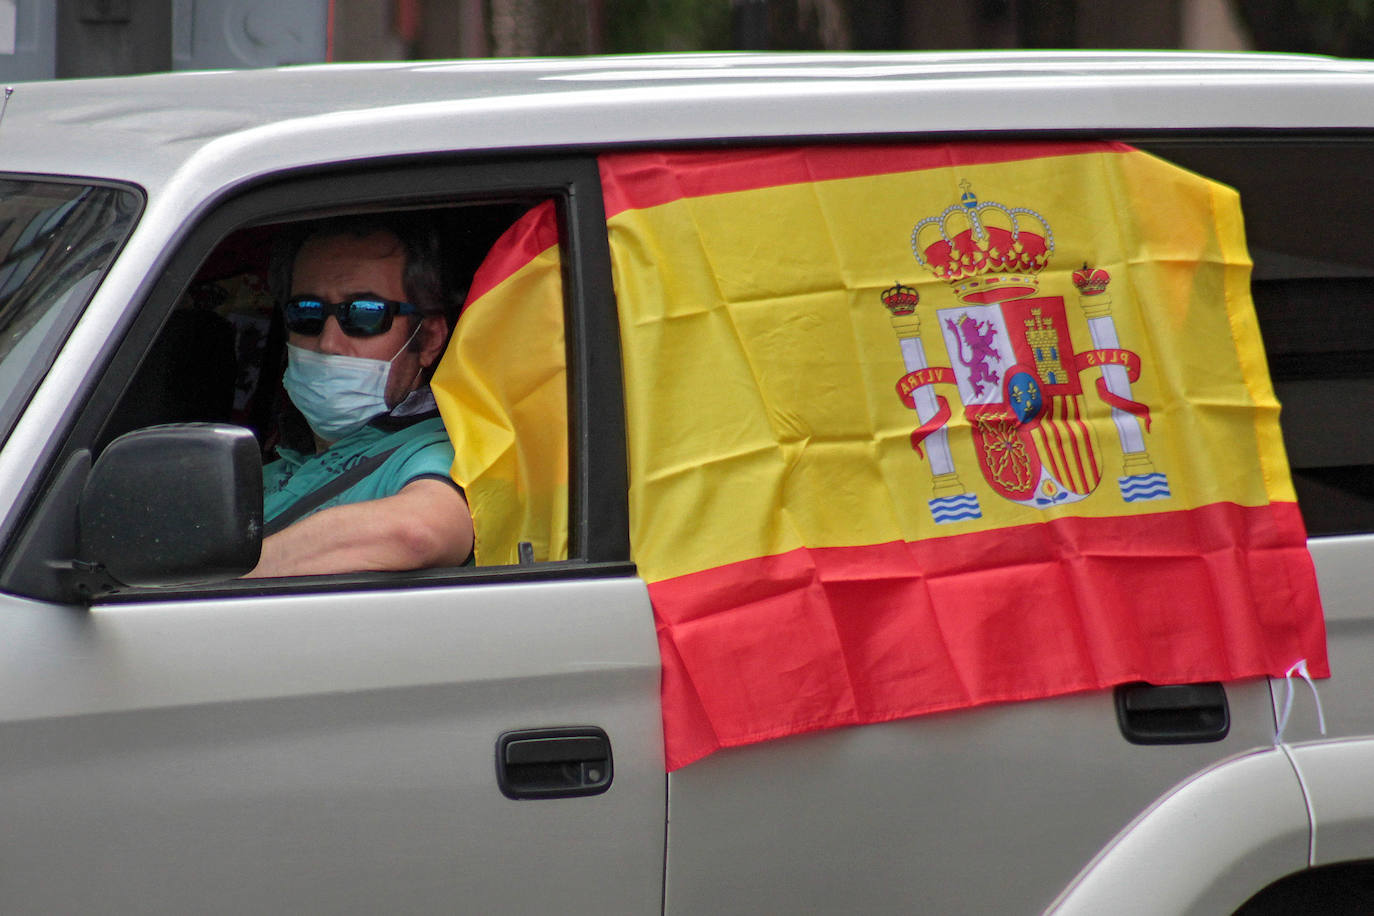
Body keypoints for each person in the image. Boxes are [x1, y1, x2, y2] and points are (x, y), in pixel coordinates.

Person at [244, 217, 474, 577]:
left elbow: (418, 531)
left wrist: (218, 584)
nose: (328, 342)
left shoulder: (440, 451)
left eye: (366, 314)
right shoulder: (267, 471)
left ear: (428, 339)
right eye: (307, 313)